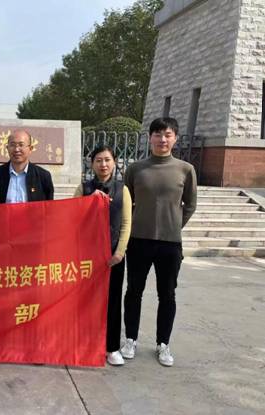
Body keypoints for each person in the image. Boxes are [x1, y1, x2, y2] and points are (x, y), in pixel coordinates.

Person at [120, 117, 197, 367]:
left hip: (170, 244)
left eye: (167, 134)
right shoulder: (136, 169)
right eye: (157, 134)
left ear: (175, 138)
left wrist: (174, 225)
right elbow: (126, 203)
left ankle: (163, 344)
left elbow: (190, 204)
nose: (162, 139)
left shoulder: (185, 169)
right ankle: (130, 339)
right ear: (150, 137)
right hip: (138, 241)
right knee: (134, 291)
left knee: (167, 294)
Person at [74, 145, 132, 366]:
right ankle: (84, 344)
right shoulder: (84, 188)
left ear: (114, 162)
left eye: (107, 160)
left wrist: (119, 252)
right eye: (98, 160)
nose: (103, 164)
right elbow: (72, 218)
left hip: (112, 257)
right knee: (85, 300)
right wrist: (88, 201)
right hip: (87, 257)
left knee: (112, 301)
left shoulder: (122, 190)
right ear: (92, 164)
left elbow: (126, 223)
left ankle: (112, 347)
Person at [0, 129, 54, 203]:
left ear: (30, 149)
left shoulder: (43, 176)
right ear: (7, 148)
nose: (16, 149)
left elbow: (48, 206)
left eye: (21, 145)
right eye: (12, 145)